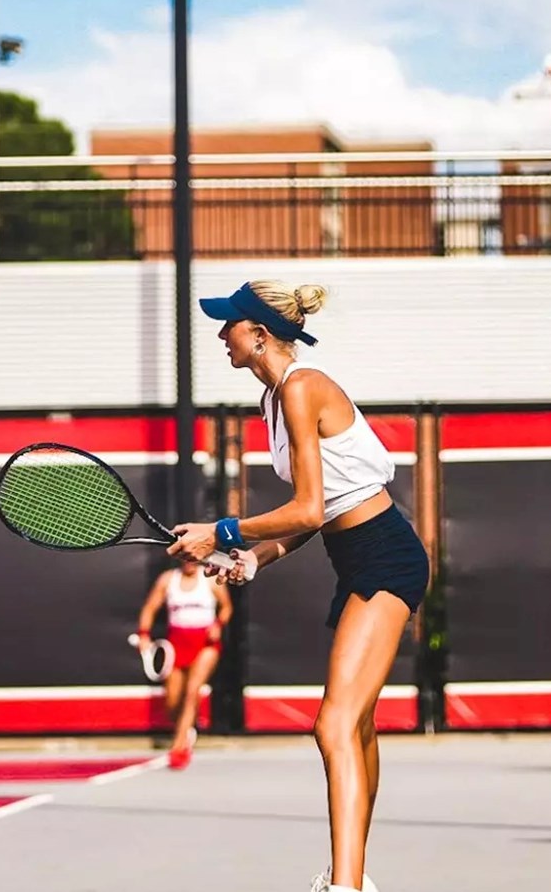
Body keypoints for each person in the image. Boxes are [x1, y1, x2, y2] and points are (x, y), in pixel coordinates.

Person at [170, 280, 423, 892]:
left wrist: (221, 529)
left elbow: (308, 508)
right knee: (354, 725)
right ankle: (354, 877)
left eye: (228, 324)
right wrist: (254, 557)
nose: (219, 335)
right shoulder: (273, 402)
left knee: (332, 725)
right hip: (354, 558)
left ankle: (347, 886)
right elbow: (321, 511)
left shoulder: (303, 388)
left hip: (387, 558)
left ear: (259, 334)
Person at [134, 557, 231, 770]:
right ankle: (187, 729)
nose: (190, 563)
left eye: (194, 560)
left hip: (205, 644)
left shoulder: (210, 579)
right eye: (186, 559)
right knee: (172, 701)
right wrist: (143, 634)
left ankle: (179, 748)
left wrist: (218, 624)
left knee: (192, 691)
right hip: (177, 644)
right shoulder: (168, 580)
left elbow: (226, 607)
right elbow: (150, 608)